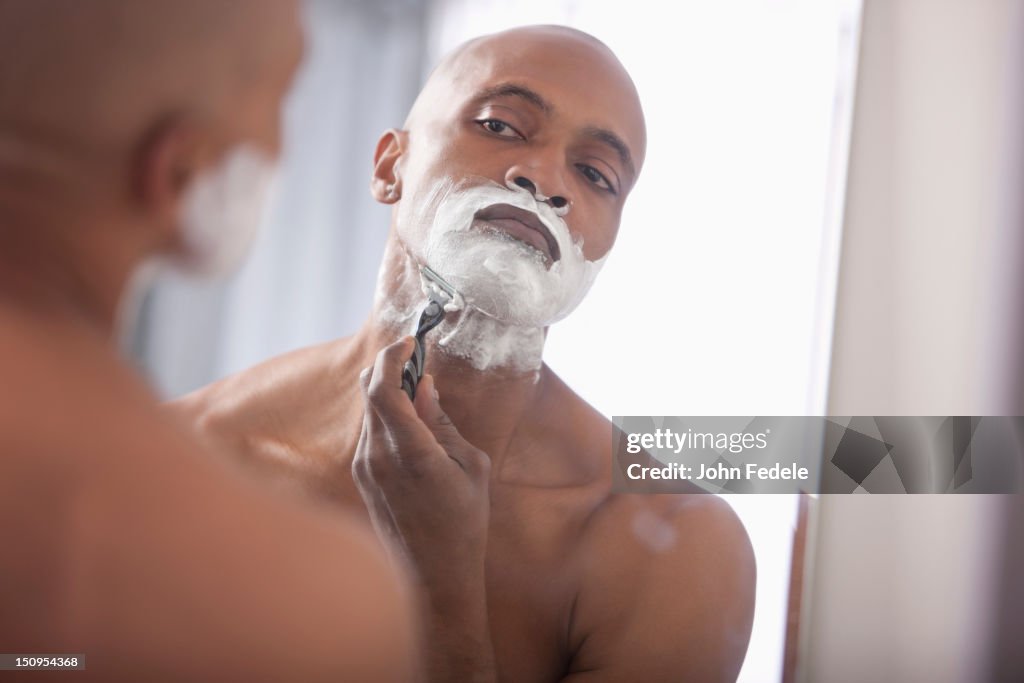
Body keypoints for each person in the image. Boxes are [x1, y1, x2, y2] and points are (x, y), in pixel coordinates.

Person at [176, 25, 756, 682]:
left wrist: (442, 592)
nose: (544, 179)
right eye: (502, 126)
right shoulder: (189, 451)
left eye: (595, 173)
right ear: (390, 165)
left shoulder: (672, 548)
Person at [0, 2, 415, 681]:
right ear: (180, 167)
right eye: (281, 97)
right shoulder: (318, 607)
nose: (539, 181)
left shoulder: (630, 483)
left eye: (600, 173)